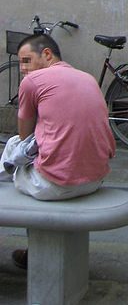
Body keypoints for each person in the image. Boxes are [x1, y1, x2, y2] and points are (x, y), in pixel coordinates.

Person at [4, 33, 115, 269]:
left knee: (14, 146)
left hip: (55, 185)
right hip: (95, 179)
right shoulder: (88, 78)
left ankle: (35, 253)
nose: (23, 68)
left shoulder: (32, 82)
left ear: (46, 54)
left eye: (26, 60)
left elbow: (24, 137)